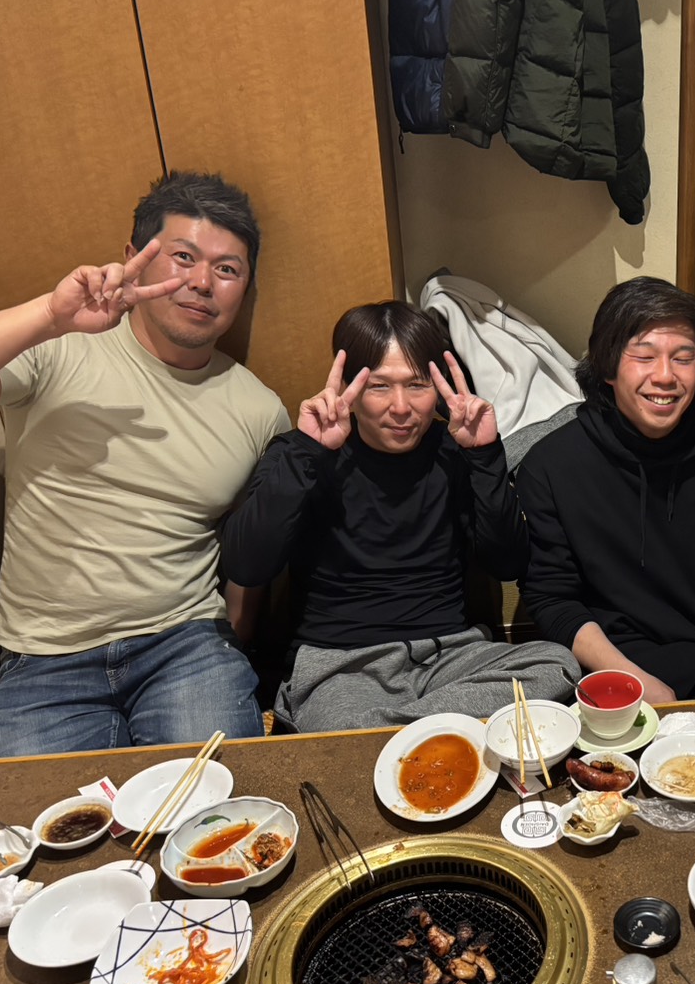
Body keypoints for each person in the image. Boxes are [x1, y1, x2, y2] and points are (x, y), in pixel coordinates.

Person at [0, 171, 288, 758]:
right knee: (34, 816)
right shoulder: (59, 348)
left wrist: (235, 641)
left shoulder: (260, 410)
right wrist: (49, 315)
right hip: (44, 658)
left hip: (187, 645)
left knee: (216, 801)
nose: (202, 283)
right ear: (133, 259)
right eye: (183, 257)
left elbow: (257, 550)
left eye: (227, 269)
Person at [220, 300, 579, 730]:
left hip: (450, 656)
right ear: (349, 387)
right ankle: (432, 730)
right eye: (379, 386)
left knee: (556, 665)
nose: (402, 406)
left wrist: (484, 456)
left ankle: (384, 734)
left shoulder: (456, 451)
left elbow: (508, 563)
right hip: (342, 667)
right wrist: (307, 452)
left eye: (417, 384)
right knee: (338, 720)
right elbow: (247, 565)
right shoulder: (303, 452)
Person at [517, 277, 695, 703]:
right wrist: (638, 684)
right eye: (644, 356)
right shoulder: (550, 466)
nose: (665, 376)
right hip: (602, 672)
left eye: (683, 358)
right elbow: (552, 598)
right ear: (607, 367)